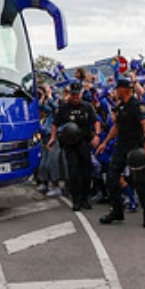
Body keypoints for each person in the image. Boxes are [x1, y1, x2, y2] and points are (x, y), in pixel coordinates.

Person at [96, 76, 145, 228]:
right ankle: (117, 211)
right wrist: (105, 142)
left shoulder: (137, 105)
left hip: (136, 147)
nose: (115, 91)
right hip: (121, 146)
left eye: (117, 89)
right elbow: (116, 127)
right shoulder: (121, 106)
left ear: (123, 89)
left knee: (141, 181)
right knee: (111, 178)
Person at [50, 81, 101, 211]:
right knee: (74, 172)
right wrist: (52, 138)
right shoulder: (64, 108)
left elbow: (95, 121)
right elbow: (55, 124)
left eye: (77, 95)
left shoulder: (87, 107)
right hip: (70, 144)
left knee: (86, 171)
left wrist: (97, 135)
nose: (75, 97)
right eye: (73, 95)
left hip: (84, 142)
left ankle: (85, 198)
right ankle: (76, 199)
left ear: (81, 94)